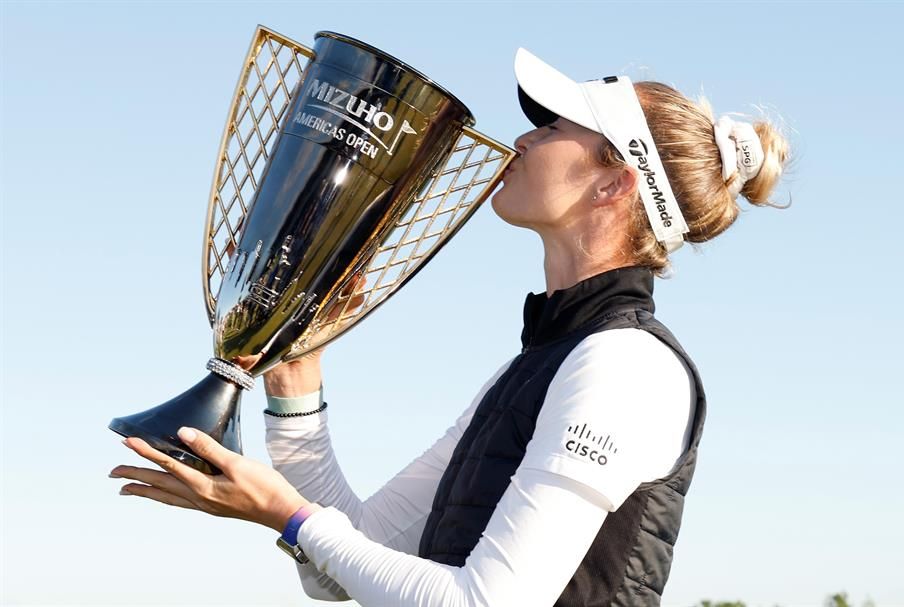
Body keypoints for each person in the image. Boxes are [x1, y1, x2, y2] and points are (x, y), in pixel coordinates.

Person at [111, 48, 790, 606]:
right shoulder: (543, 362)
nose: (523, 138)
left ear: (615, 184)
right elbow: (340, 565)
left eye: (554, 128)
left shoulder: (625, 368)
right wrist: (296, 383)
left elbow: (485, 602)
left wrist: (287, 513)